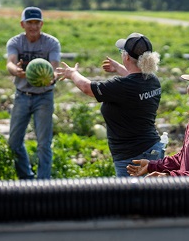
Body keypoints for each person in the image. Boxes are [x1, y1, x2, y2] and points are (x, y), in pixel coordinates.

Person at [56, 32, 164, 177]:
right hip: (153, 149)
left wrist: (72, 73)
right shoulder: (152, 80)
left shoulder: (122, 86)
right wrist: (119, 68)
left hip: (132, 157)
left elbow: (88, 88)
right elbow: (135, 77)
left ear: (126, 57)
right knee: (153, 197)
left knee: (132, 199)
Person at [6, 7, 61, 180]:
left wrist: (52, 75)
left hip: (44, 97)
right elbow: (10, 63)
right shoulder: (15, 42)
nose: (33, 26)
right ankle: (26, 179)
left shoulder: (51, 43)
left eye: (37, 23)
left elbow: (54, 66)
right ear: (22, 24)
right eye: (29, 23)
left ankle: (43, 184)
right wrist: (16, 70)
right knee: (14, 142)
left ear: (41, 24)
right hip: (22, 95)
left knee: (44, 144)